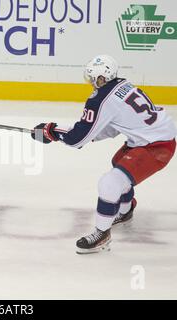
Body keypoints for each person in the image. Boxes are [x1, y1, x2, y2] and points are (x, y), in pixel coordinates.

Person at [31, 55, 176, 254]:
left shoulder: (101, 99)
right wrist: (77, 134)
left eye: (93, 78)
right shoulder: (122, 85)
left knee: (111, 183)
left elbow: (77, 138)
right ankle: (125, 212)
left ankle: (102, 234)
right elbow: (112, 126)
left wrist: (52, 131)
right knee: (119, 164)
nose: (91, 83)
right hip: (154, 137)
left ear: (102, 77)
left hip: (156, 146)